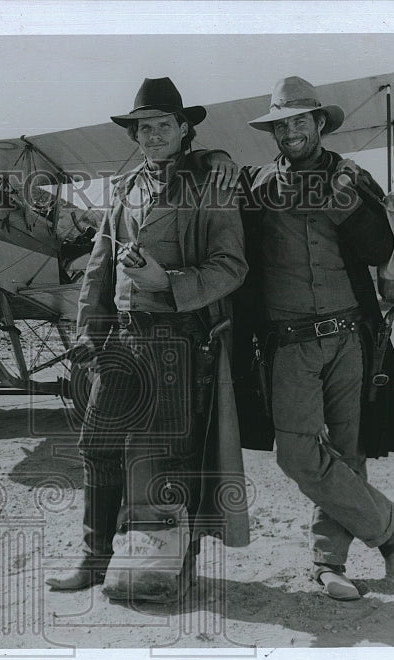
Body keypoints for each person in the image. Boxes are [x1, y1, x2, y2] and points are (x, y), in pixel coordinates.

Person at [203, 76, 394, 601]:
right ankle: (389, 526)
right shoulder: (255, 185)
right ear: (274, 131)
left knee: (349, 452)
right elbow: (206, 171)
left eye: (300, 120)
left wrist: (347, 207)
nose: (291, 131)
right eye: (282, 124)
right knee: (296, 455)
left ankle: (328, 563)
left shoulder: (350, 177)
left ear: (319, 123)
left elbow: (378, 248)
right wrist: (215, 156)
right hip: (289, 342)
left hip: (351, 337)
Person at [46, 77, 249, 599]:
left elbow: (231, 266)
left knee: (172, 455)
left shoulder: (212, 185)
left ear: (184, 129)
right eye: (143, 127)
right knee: (98, 445)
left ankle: (177, 565)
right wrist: (89, 334)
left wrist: (171, 283)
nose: (152, 134)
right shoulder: (128, 186)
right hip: (123, 342)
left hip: (180, 340)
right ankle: (96, 558)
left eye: (163, 125)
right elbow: (98, 267)